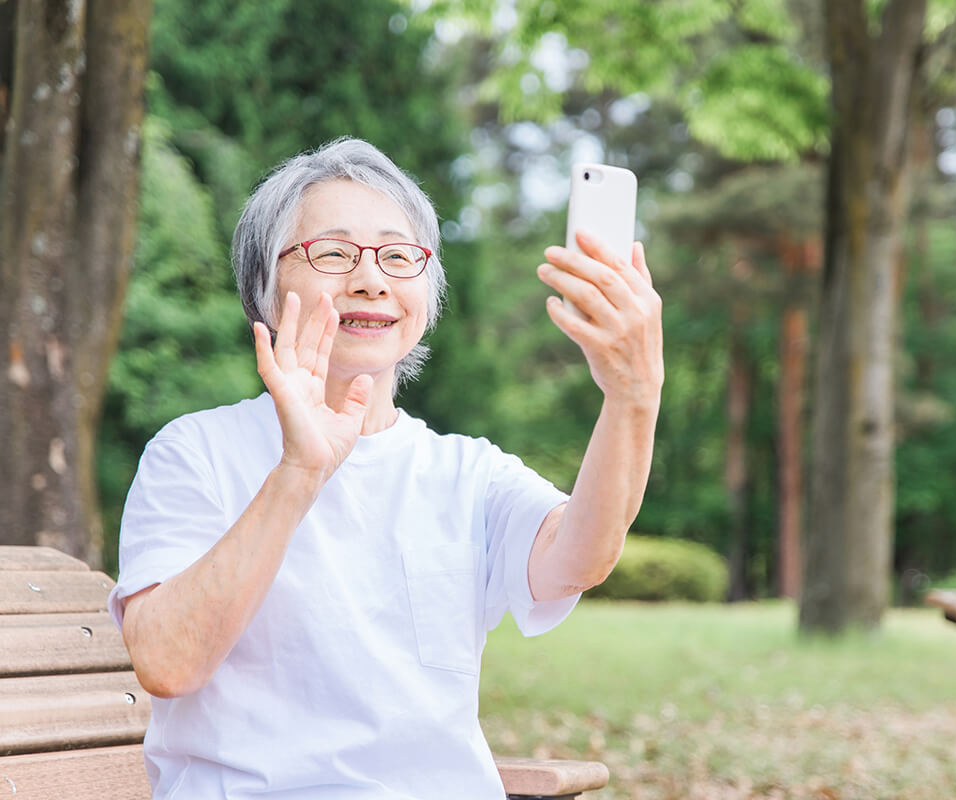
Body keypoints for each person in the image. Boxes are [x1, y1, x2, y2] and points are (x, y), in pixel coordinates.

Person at [107, 137, 663, 799]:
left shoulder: (467, 471)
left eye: (399, 257)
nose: (371, 280)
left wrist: (634, 398)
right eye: (335, 253)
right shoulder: (195, 452)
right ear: (265, 285)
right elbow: (168, 662)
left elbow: (581, 555)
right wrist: (298, 473)